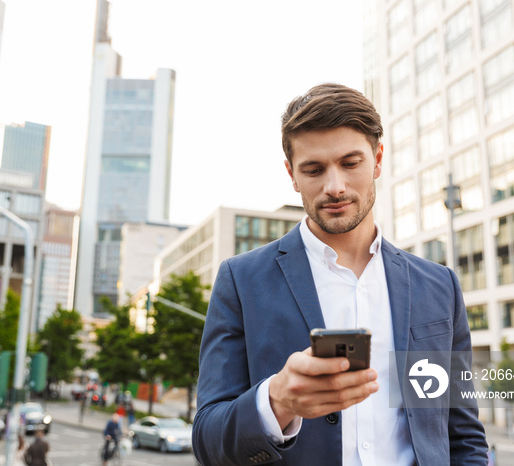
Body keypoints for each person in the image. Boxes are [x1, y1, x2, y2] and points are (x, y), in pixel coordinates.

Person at [192, 83, 488, 465]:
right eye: (314, 169)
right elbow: (207, 440)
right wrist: (276, 401)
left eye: (351, 163)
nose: (335, 187)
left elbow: (462, 435)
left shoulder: (439, 286)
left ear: (378, 159)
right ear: (292, 175)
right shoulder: (241, 280)